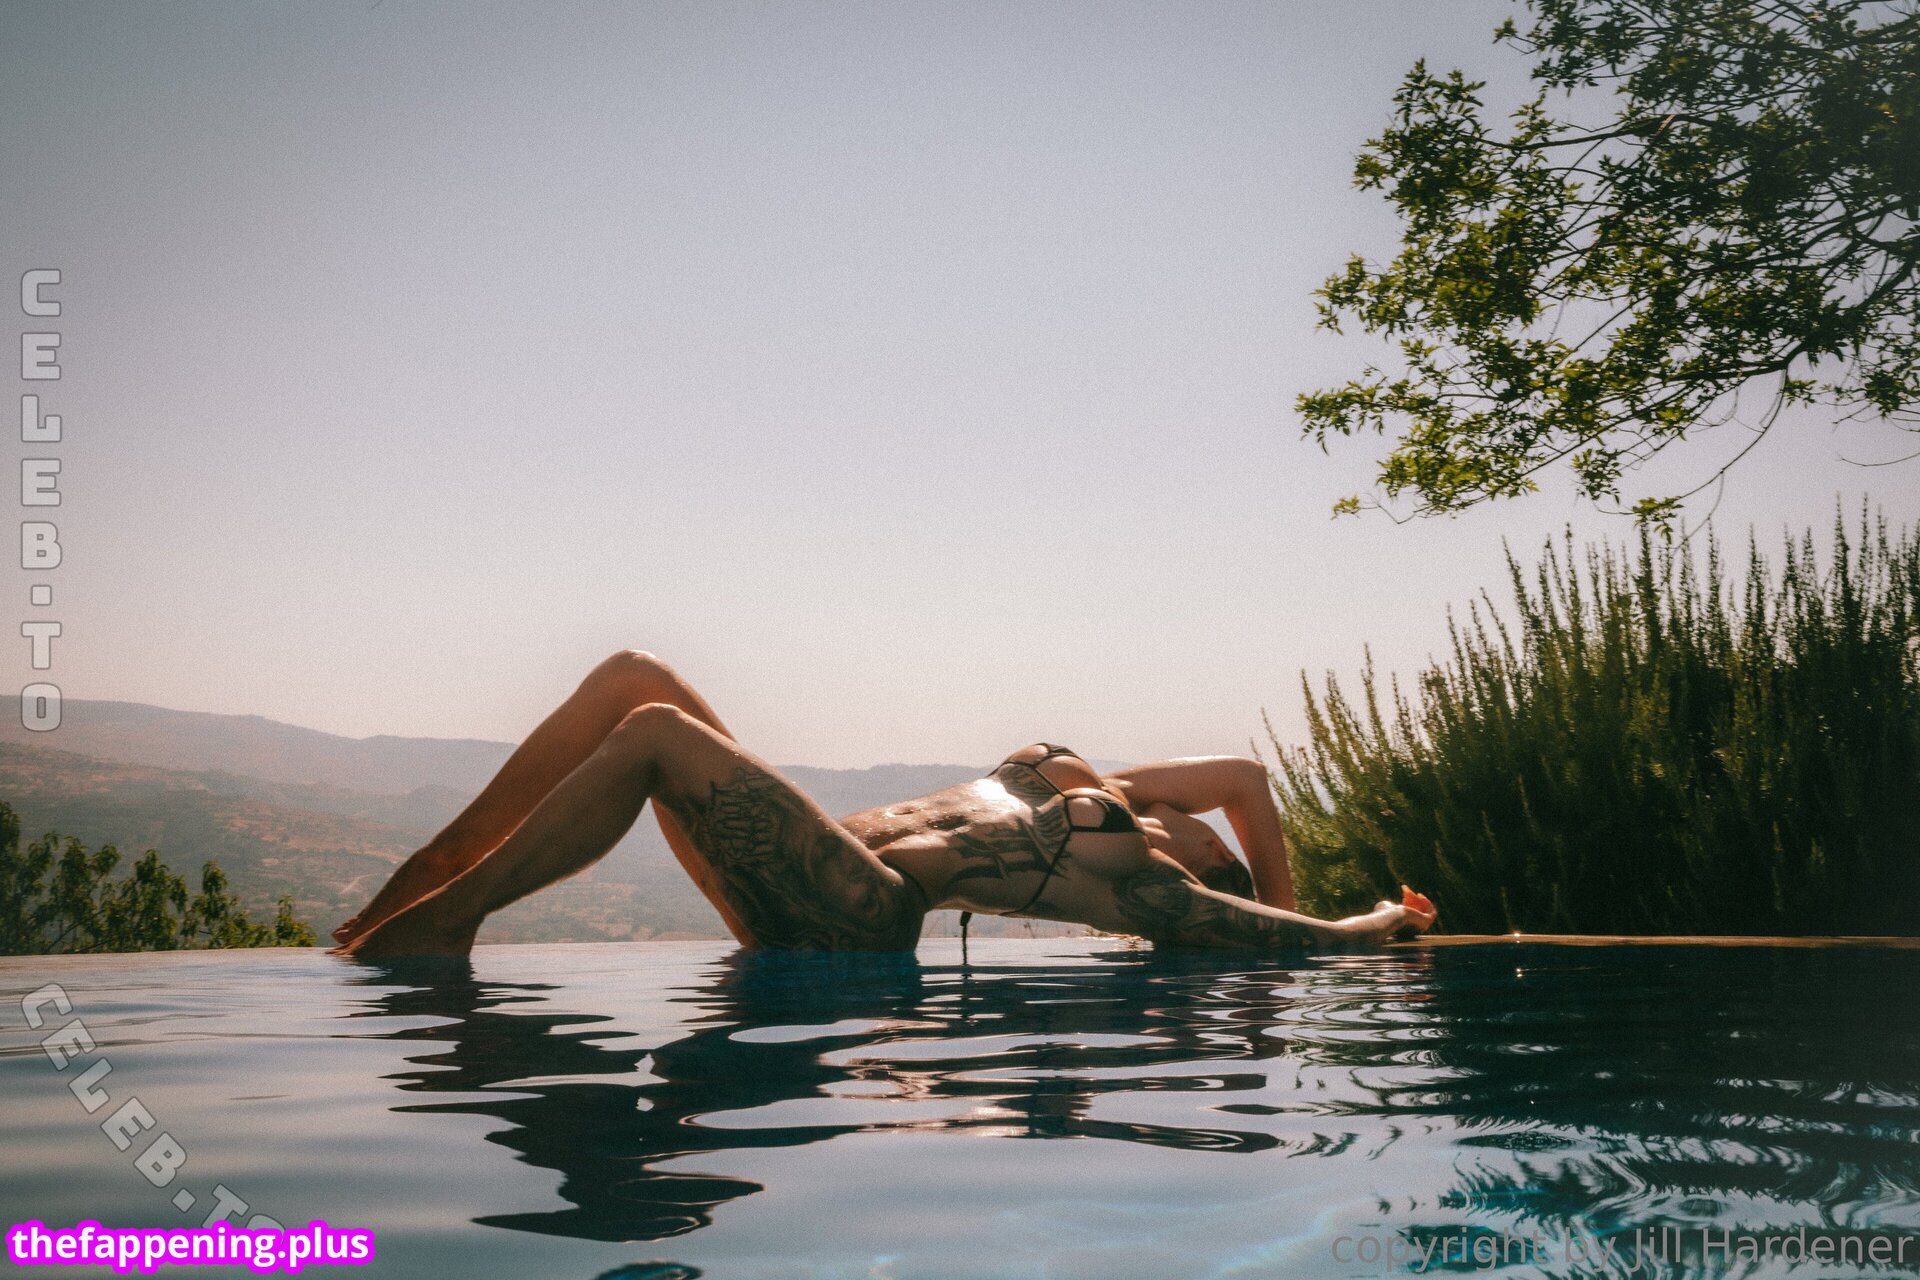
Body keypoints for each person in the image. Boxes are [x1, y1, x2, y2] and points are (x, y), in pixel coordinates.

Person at [331, 650, 1435, 957]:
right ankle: (426, 878)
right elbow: (1245, 776)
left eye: (1219, 852)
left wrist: (1368, 920)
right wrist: (1283, 873)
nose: (1208, 826)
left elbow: (1293, 941)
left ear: (1211, 870)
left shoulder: (1132, 871)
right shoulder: (1075, 781)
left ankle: (446, 924)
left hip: (852, 912)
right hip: (799, 859)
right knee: (635, 676)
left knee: (658, 730)